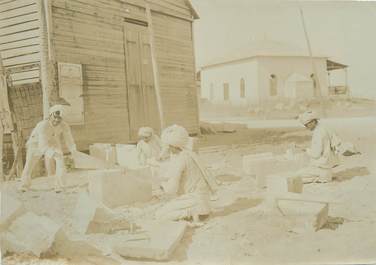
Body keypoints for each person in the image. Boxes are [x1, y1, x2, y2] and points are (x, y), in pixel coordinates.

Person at [154, 125, 217, 225]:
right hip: (204, 203)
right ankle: (191, 212)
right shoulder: (190, 154)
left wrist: (161, 186)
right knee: (169, 206)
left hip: (195, 203)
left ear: (170, 146)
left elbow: (171, 190)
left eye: (166, 146)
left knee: (159, 215)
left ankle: (189, 213)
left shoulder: (180, 160)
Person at [18, 104, 77, 193]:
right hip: (36, 143)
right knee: (30, 163)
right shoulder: (43, 125)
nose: (57, 120)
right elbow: (42, 146)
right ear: (50, 115)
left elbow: (69, 139)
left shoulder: (64, 125)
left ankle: (59, 185)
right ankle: (24, 185)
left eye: (59, 119)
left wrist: (73, 150)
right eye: (55, 117)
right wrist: (52, 153)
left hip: (52, 141)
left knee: (60, 159)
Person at [295, 110, 340, 183]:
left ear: (313, 122)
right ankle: (323, 177)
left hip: (321, 168)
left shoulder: (318, 133)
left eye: (306, 125)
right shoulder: (325, 128)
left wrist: (305, 149)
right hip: (328, 167)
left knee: (295, 176)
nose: (306, 127)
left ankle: (321, 178)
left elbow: (316, 155)